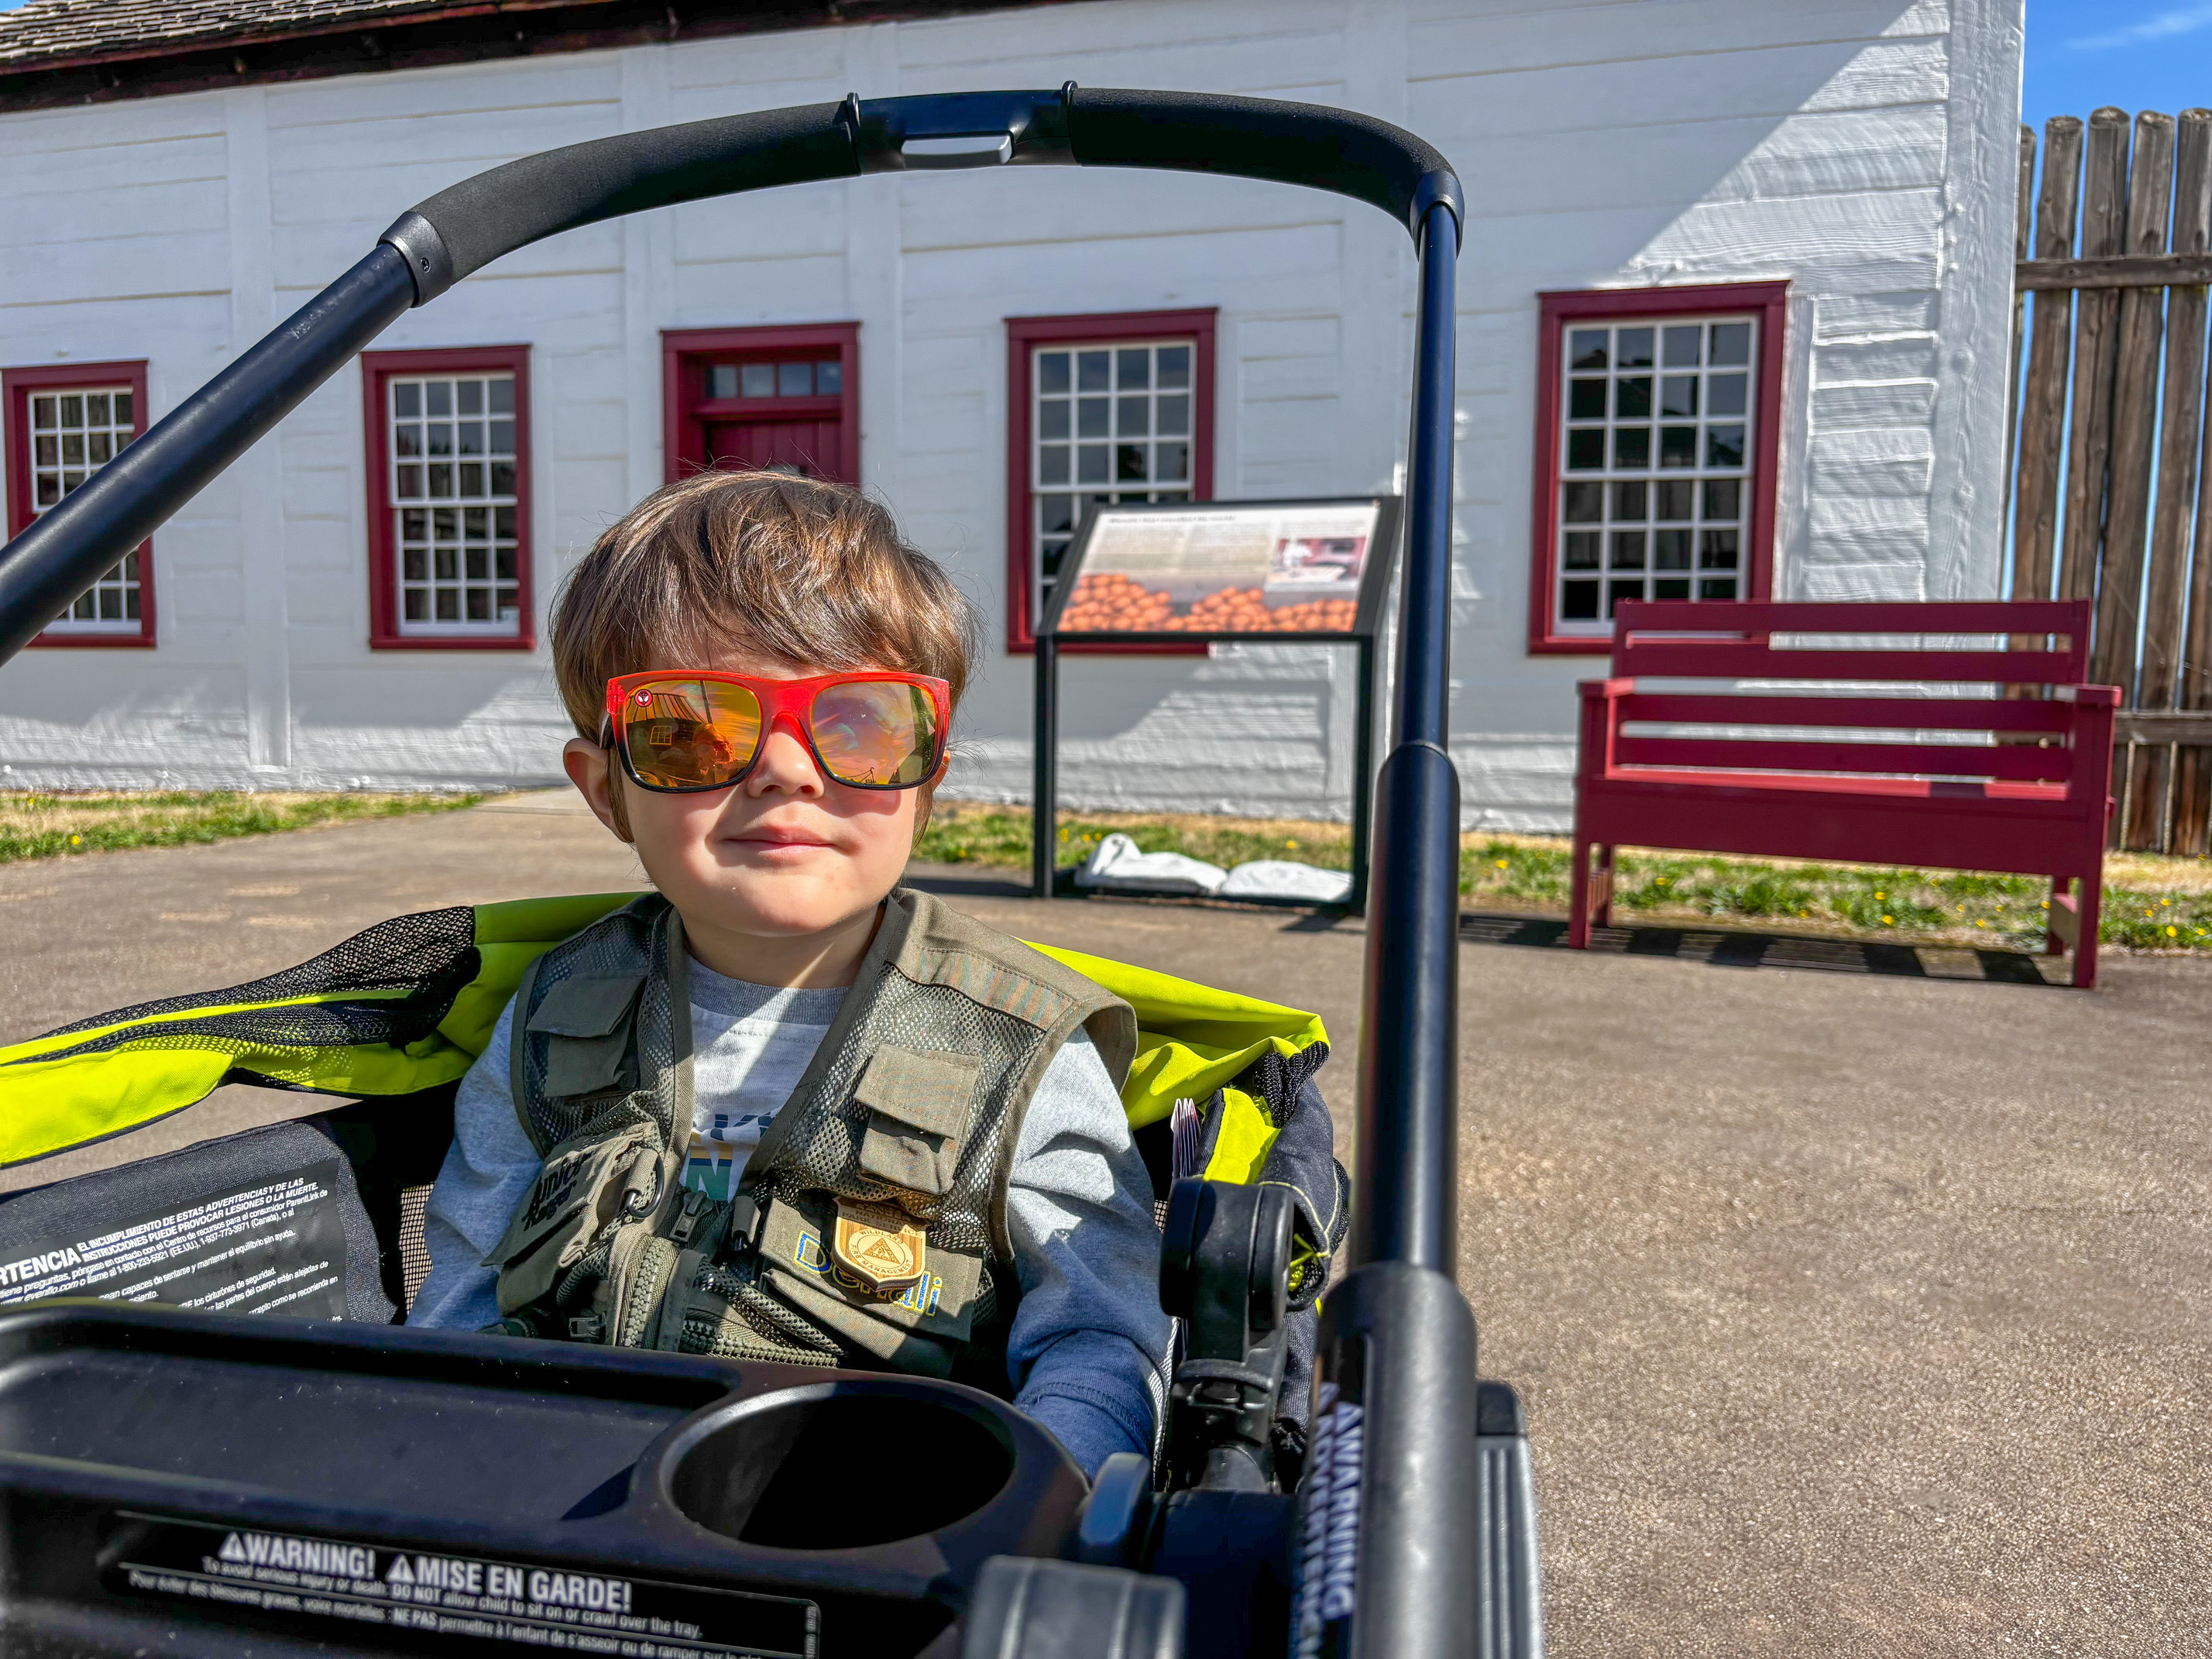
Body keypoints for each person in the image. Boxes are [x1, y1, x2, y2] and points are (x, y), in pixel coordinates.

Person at [410, 469, 1169, 1478]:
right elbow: (459, 1306)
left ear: (927, 780)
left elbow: (1100, 1343)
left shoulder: (1020, 1048)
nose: (785, 769)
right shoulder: (550, 1015)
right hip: (567, 1501)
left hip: (896, 1526)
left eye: (860, 724)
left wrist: (1036, 1513)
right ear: (605, 791)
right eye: (691, 730)